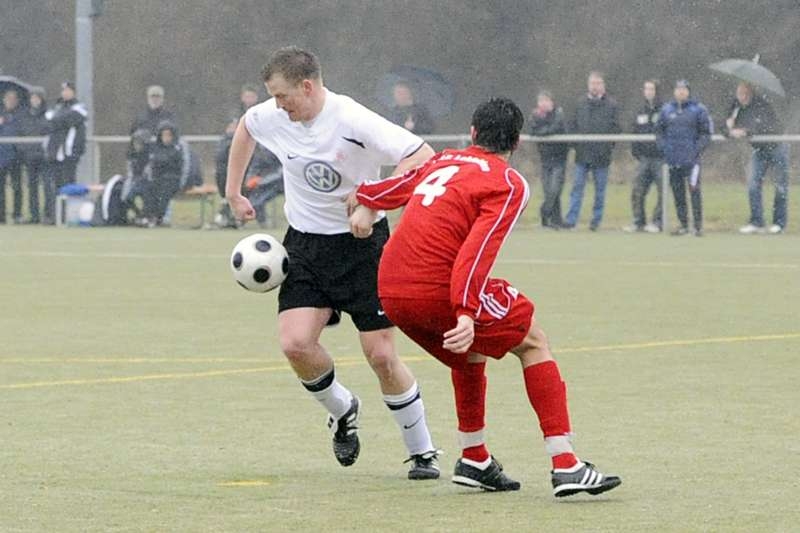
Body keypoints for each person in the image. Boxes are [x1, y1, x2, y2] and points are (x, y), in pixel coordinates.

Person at [347, 97, 621, 496]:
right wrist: (465, 310)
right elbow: (476, 252)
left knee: (470, 351)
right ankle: (566, 465)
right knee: (532, 340)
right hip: (434, 287)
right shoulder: (506, 183)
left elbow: (398, 186)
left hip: (390, 288)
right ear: (518, 142)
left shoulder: (445, 160)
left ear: (473, 133)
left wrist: (365, 197)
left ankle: (474, 458)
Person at [225, 46, 440, 479]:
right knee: (295, 344)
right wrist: (233, 191)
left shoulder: (351, 120)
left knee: (380, 355)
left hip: (363, 249)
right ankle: (343, 409)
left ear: (307, 86)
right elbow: (246, 129)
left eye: (283, 96)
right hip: (304, 247)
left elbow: (422, 156)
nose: (278, 106)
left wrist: (371, 201)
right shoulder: (273, 114)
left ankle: (422, 452)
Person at [725, 83, 790, 235]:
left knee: (780, 186)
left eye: (745, 93)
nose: (742, 96)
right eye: (740, 93)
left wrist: (745, 130)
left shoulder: (762, 104)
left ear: (751, 92)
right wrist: (729, 129)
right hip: (759, 150)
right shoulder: (736, 107)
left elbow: (763, 126)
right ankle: (757, 222)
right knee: (753, 184)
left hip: (776, 147)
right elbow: (724, 125)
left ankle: (779, 224)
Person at [564, 71, 620, 231]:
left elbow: (616, 128)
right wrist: (577, 145)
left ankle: (596, 221)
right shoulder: (580, 103)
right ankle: (571, 220)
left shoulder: (612, 105)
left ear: (603, 85)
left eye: (598, 83)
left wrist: (607, 147)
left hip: (602, 156)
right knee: (577, 188)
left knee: (600, 191)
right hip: (582, 155)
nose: (595, 87)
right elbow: (572, 125)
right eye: (592, 83)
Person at [655, 80, 712, 237]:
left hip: (692, 161)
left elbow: (706, 133)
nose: (681, 92)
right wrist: (664, 148)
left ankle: (697, 226)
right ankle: (683, 224)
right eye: (678, 89)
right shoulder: (666, 110)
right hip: (673, 160)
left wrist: (696, 149)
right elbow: (659, 131)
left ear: (688, 91)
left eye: (684, 89)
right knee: (678, 193)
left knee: (694, 191)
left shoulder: (698, 110)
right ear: (674, 91)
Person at [43, 82, 87, 224]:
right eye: (63, 90)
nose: (65, 93)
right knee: (54, 186)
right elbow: (48, 121)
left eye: (68, 90)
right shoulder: (57, 107)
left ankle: (69, 216)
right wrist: (59, 120)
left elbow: (70, 118)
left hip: (69, 155)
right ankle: (55, 216)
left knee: (68, 185)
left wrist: (58, 120)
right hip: (55, 153)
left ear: (73, 92)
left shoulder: (79, 108)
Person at [624, 79, 664, 233]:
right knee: (638, 190)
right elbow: (635, 132)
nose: (648, 92)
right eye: (646, 89)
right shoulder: (640, 110)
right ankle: (638, 221)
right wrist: (636, 152)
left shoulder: (664, 110)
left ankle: (657, 222)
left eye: (651, 89)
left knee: (662, 191)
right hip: (644, 158)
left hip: (660, 158)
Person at [529, 90, 568, 229]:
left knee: (554, 189)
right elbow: (533, 131)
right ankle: (554, 221)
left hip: (559, 158)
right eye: (541, 101)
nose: (544, 104)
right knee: (548, 191)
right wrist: (545, 132)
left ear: (552, 102)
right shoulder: (535, 116)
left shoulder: (558, 114)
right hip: (545, 159)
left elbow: (556, 128)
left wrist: (543, 132)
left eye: (546, 100)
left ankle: (545, 213)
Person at [17, 87, 49, 224]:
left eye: (37, 98)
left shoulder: (48, 115)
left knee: (47, 186)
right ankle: (34, 215)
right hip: (29, 157)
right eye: (32, 98)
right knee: (32, 186)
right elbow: (20, 135)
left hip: (44, 156)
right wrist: (23, 150)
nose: (34, 100)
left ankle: (48, 214)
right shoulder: (25, 116)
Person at [143, 120, 183, 226]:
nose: (166, 138)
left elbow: (178, 167)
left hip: (172, 180)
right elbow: (153, 166)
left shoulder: (177, 148)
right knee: (148, 188)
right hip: (158, 179)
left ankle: (160, 217)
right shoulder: (155, 148)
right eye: (164, 135)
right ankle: (148, 216)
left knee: (165, 190)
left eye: (169, 135)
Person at [0, 89, 23, 224]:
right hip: (1, 157)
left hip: (16, 157)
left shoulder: (20, 115)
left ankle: (17, 214)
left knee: (17, 187)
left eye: (13, 99)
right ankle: (1, 215)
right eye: (8, 99)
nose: (10, 101)